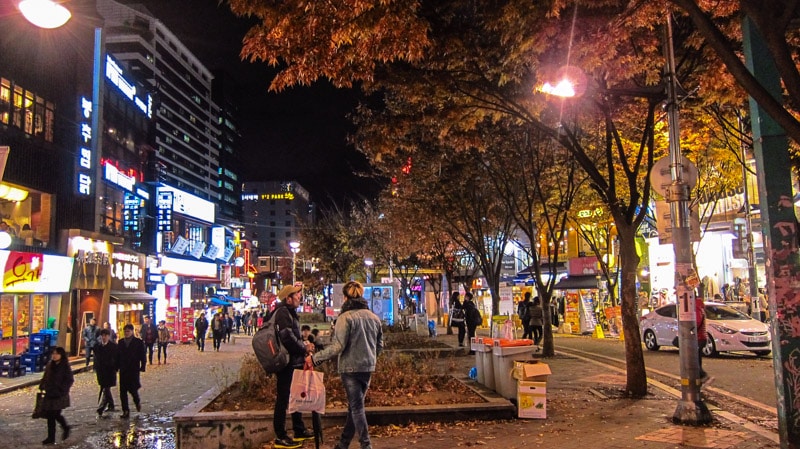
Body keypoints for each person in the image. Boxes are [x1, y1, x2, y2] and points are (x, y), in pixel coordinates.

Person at [306, 281, 383, 449]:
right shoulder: (373, 317)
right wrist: (371, 357)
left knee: (356, 407)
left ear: (346, 297)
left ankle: (366, 445)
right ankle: (343, 444)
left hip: (350, 368)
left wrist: (314, 358)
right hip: (367, 367)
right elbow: (380, 345)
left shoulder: (345, 318)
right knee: (355, 407)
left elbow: (338, 346)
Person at [271, 284, 315, 449]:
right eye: (296, 295)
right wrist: (304, 347)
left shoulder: (288, 312)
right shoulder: (283, 313)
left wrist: (303, 345)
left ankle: (299, 429)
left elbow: (292, 336)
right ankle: (280, 436)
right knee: (283, 398)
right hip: (286, 363)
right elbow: (287, 337)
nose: (299, 297)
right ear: (288, 298)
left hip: (294, 361)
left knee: (296, 395)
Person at [38, 346, 73, 445]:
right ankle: (51, 437)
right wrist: (42, 386)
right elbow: (45, 376)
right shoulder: (50, 365)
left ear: (61, 355)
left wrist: (62, 390)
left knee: (55, 414)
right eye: (53, 353)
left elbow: (69, 380)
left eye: (56, 354)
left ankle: (65, 427)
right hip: (49, 393)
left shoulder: (65, 366)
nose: (54, 356)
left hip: (59, 395)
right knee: (50, 416)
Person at [118, 324, 146, 419]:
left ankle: (137, 401)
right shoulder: (121, 342)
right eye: (125, 331)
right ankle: (125, 410)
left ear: (132, 332)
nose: (126, 333)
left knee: (133, 389)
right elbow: (118, 355)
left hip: (133, 369)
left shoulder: (138, 342)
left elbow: (142, 355)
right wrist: (117, 366)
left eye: (128, 331)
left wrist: (143, 365)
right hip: (123, 370)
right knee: (122, 392)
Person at [94, 328, 118, 417]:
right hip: (101, 372)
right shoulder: (97, 346)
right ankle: (111, 404)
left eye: (105, 336)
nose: (104, 337)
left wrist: (115, 367)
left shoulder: (114, 346)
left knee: (106, 389)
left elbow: (116, 359)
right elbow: (96, 359)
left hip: (110, 371)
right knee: (105, 388)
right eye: (102, 336)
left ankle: (101, 407)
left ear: (108, 336)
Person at [696, 296, 708, 381]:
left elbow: (697, 322)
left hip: (698, 337)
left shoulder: (696, 308)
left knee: (694, 359)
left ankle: (702, 375)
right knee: (697, 358)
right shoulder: (699, 307)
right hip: (701, 337)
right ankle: (700, 376)